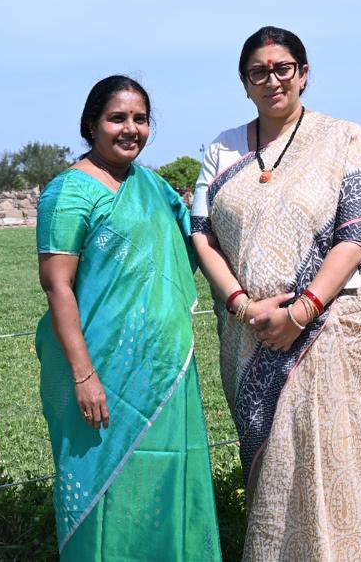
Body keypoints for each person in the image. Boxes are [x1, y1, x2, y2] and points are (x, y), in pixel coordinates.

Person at [191, 26, 361, 561]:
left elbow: (356, 235)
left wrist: (303, 310)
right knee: (273, 479)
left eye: (283, 68)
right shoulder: (222, 150)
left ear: (304, 73)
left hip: (332, 335)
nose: (272, 79)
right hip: (251, 340)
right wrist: (242, 305)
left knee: (335, 467)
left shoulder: (346, 141)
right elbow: (201, 232)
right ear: (245, 83)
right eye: (258, 71)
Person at [36, 75, 222, 561]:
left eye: (140, 119)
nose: (131, 129)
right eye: (118, 118)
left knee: (166, 480)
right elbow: (58, 286)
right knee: (101, 490)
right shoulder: (68, 192)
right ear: (92, 124)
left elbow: (194, 249)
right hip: (99, 370)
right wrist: (83, 375)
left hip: (165, 367)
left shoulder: (156, 188)